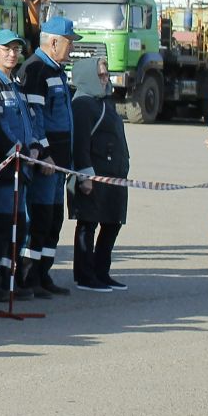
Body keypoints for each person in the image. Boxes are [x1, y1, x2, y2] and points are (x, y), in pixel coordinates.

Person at [0, 29, 43, 301]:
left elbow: (28, 122)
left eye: (16, 49)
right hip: (1, 169)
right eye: (6, 49)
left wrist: (33, 146)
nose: (12, 54)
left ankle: (6, 279)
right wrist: (16, 150)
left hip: (20, 168)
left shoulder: (16, 84)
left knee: (16, 227)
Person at [17, 17, 77, 297]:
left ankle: (44, 274)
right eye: (69, 42)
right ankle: (28, 277)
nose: (72, 47)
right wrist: (46, 154)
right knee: (39, 220)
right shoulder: (37, 70)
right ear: (53, 42)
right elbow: (35, 118)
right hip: (46, 164)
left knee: (53, 220)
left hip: (59, 164)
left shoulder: (57, 71)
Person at [68, 54, 130, 291]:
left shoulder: (105, 102)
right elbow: (80, 142)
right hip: (93, 174)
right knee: (88, 223)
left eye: (106, 75)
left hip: (114, 174)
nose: (105, 79)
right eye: (100, 75)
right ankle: (85, 276)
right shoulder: (82, 104)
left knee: (113, 221)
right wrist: (84, 175)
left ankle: (101, 271)